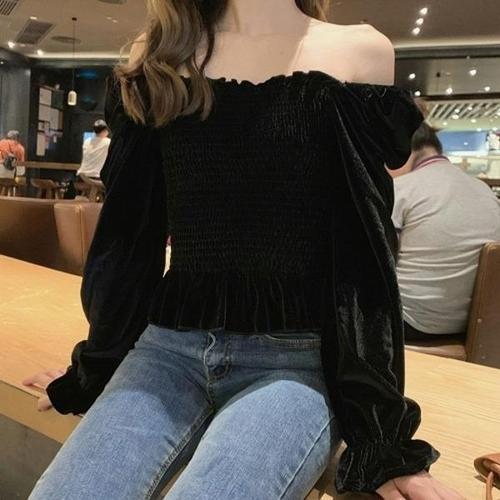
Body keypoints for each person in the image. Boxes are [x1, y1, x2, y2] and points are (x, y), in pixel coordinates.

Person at [24, 1, 462, 499]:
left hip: (294, 363)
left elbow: (362, 258)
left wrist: (382, 440)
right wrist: (95, 367)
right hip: (166, 351)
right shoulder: (161, 55)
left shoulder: (358, 52)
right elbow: (129, 239)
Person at [391, 123, 500, 340]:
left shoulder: (402, 188)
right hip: (474, 326)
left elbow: (376, 264)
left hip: (411, 323)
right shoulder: (484, 191)